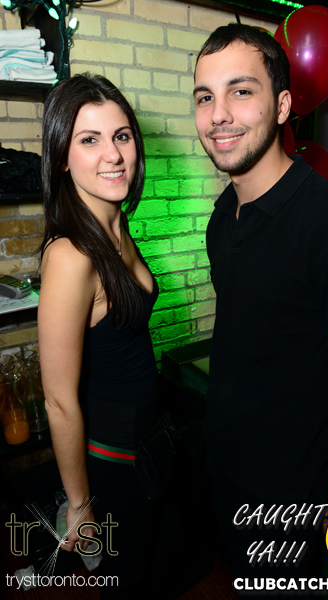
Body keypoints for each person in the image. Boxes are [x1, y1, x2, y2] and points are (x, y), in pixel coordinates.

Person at [193, 23, 328, 594]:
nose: (218, 115)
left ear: (283, 105)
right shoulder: (221, 218)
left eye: (241, 91)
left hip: (295, 493)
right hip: (226, 467)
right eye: (205, 97)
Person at [38, 74, 161, 597]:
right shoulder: (71, 256)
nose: (113, 155)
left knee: (151, 562)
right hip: (112, 456)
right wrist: (80, 505)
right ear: (62, 157)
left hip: (145, 435)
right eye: (89, 139)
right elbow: (59, 400)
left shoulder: (116, 225)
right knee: (127, 577)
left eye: (122, 135)